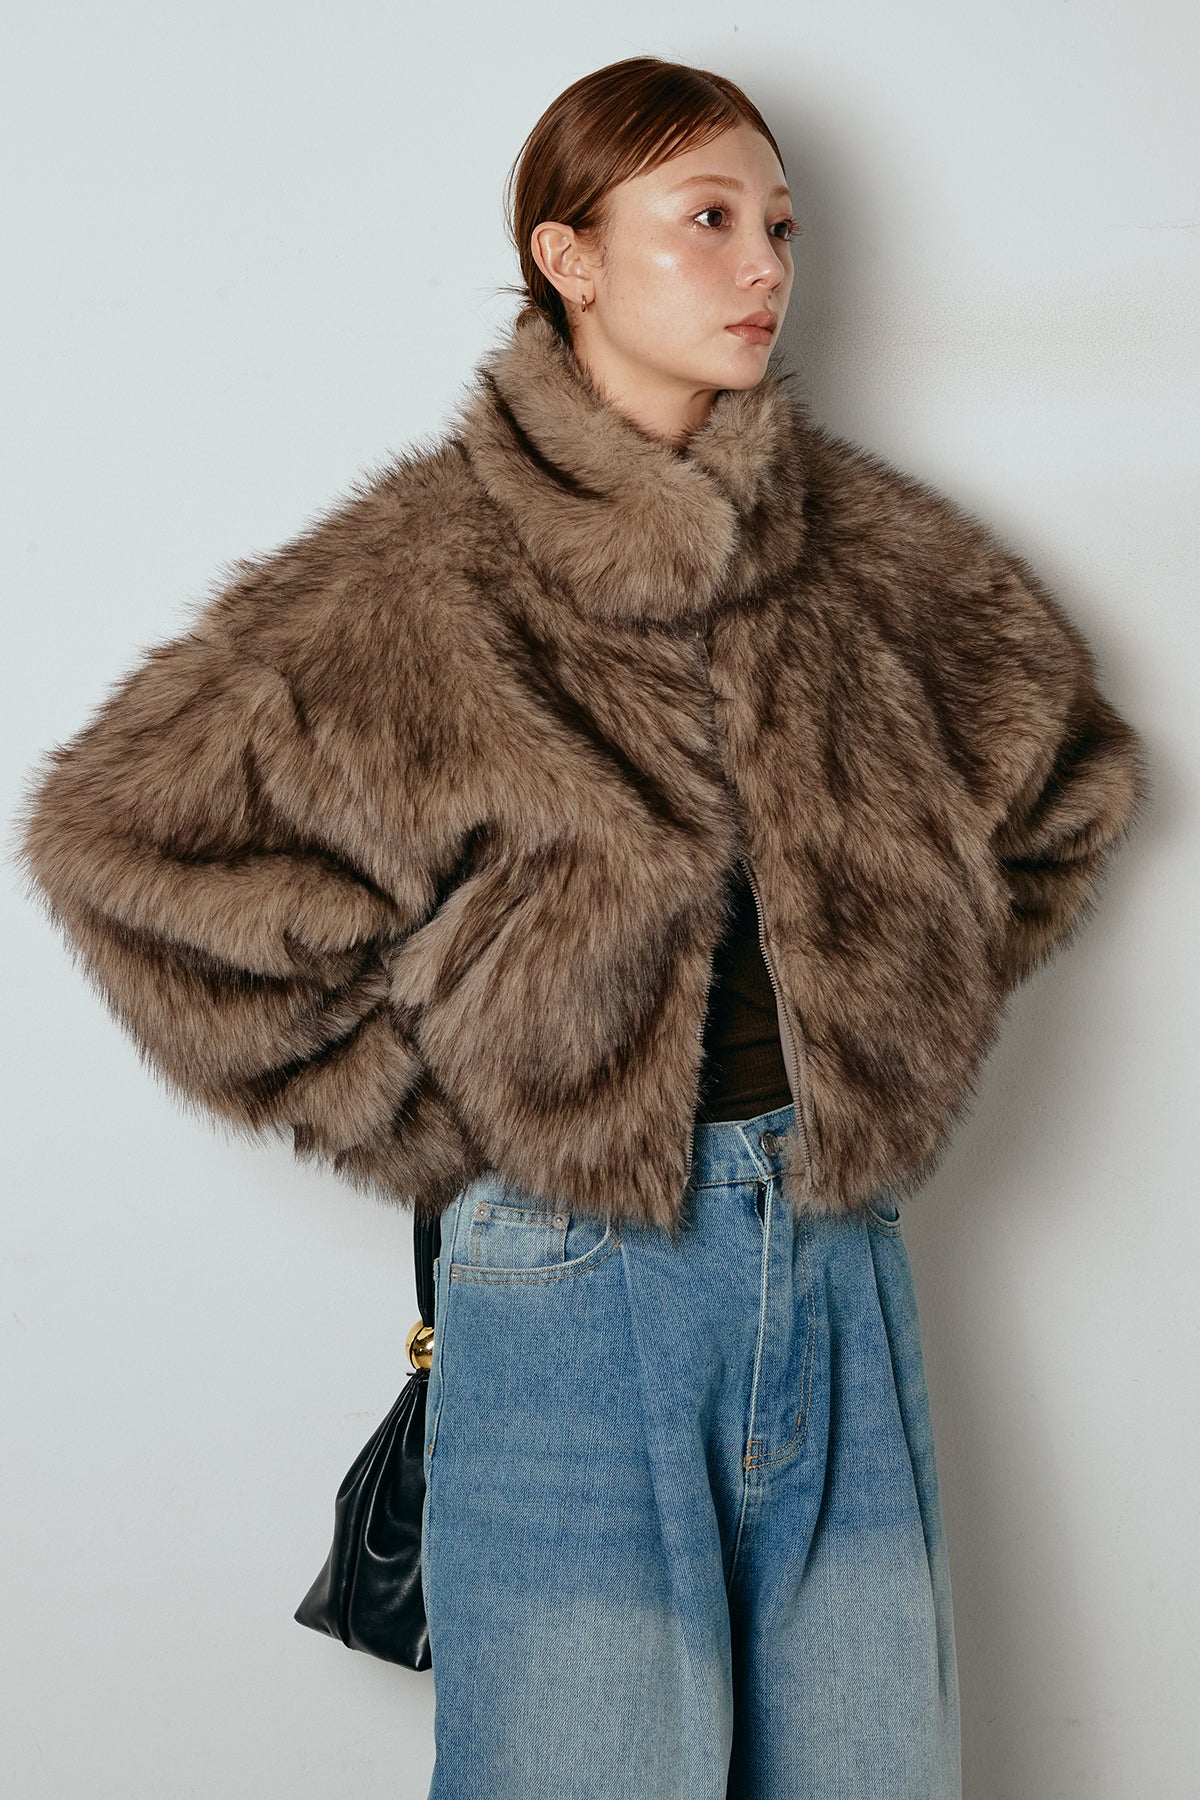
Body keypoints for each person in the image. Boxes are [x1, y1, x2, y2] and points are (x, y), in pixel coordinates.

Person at [13, 54, 1146, 1800]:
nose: (763, 264)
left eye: (780, 225)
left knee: (872, 1772)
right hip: (569, 1277)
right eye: (707, 220)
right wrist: (441, 1116)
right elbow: (118, 841)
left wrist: (893, 1006)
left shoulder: (876, 559)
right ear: (569, 257)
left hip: (835, 1254)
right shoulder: (421, 577)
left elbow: (1070, 782)